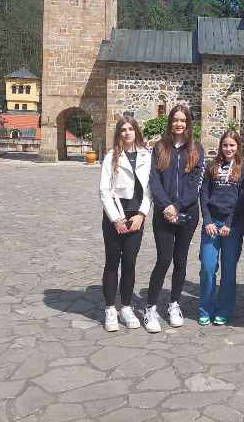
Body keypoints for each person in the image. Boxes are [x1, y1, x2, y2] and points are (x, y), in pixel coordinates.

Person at [145, 104, 205, 332]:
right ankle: (150, 307)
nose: (179, 124)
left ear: (188, 123)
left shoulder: (196, 149)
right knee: (163, 260)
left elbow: (196, 184)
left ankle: (174, 304)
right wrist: (166, 206)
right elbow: (154, 180)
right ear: (170, 122)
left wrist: (177, 207)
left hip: (187, 214)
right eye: (175, 120)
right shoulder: (160, 147)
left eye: (183, 120)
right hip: (163, 214)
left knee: (180, 261)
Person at [98, 115, 152, 332]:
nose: (127, 132)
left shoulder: (146, 156)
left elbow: (149, 189)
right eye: (123, 129)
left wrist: (142, 214)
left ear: (136, 131)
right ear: (119, 133)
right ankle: (110, 308)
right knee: (112, 262)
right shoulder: (111, 156)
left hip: (136, 216)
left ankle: (126, 307)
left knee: (130, 262)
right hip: (115, 215)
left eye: (131, 129)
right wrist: (116, 219)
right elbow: (104, 190)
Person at [198, 131, 244, 326]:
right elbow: (204, 194)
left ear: (238, 147)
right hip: (212, 224)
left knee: (228, 271)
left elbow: (242, 200)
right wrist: (207, 220)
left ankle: (223, 310)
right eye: (225, 145)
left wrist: (229, 223)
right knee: (207, 267)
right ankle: (205, 309)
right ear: (221, 146)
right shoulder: (212, 166)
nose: (228, 149)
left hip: (232, 226)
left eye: (232, 145)